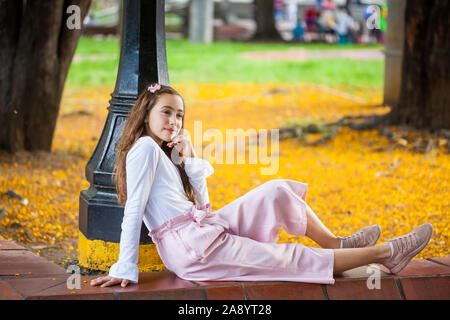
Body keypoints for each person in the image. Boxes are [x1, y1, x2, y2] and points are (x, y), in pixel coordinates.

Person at [90, 83, 434, 288]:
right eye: (166, 112)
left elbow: (204, 211)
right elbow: (133, 209)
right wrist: (125, 269)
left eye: (179, 115)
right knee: (289, 258)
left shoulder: (161, 153)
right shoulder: (144, 149)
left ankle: (336, 242)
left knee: (277, 190)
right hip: (191, 251)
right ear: (145, 113)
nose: (174, 121)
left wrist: (191, 160)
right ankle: (389, 252)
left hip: (202, 233)